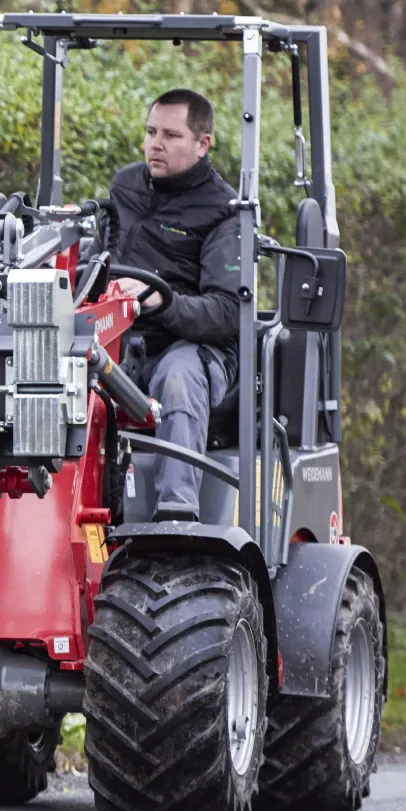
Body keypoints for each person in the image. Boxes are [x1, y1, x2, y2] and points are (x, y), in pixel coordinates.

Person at [106, 89, 243, 522]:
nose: (155, 144)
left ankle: (175, 515)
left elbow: (226, 313)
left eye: (170, 134)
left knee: (178, 376)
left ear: (203, 144)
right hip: (125, 340)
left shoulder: (225, 212)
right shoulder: (124, 187)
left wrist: (161, 301)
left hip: (198, 350)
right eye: (150, 132)